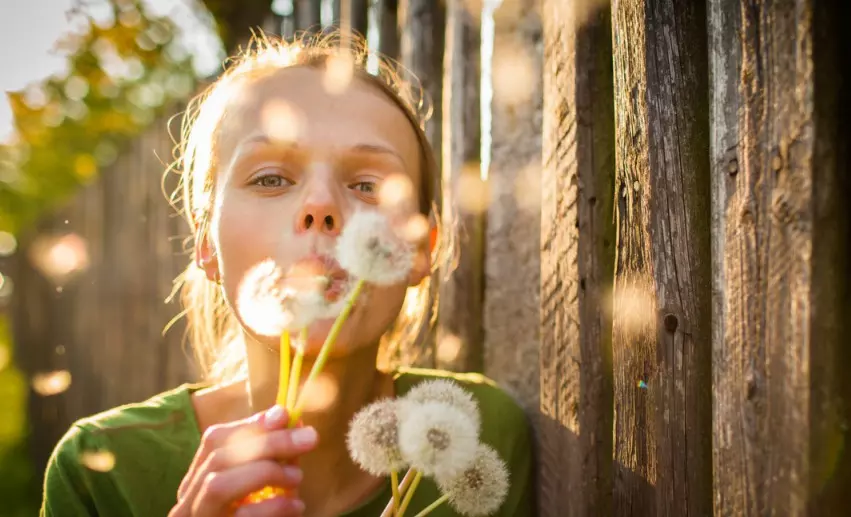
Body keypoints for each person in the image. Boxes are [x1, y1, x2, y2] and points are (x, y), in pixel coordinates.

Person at [39, 31, 533, 517]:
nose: (320, 206)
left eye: (366, 185)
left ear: (423, 249)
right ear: (204, 242)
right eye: (271, 179)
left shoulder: (481, 436)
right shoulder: (101, 476)